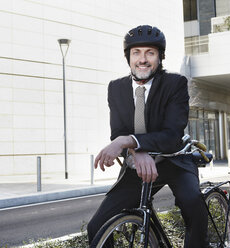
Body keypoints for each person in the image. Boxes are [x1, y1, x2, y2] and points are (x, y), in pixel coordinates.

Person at [87, 25, 208, 248]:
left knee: (194, 207)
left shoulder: (175, 84)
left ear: (160, 57)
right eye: (136, 53)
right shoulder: (116, 88)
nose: (142, 59)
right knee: (97, 227)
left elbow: (172, 135)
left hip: (174, 159)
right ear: (128, 58)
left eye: (150, 53)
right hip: (139, 165)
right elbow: (118, 131)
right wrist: (137, 150)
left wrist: (128, 142)